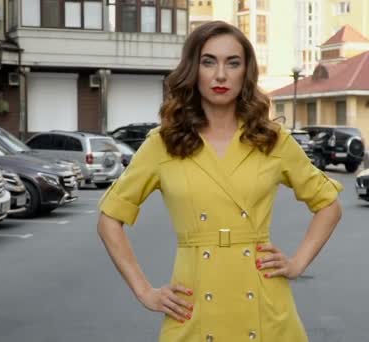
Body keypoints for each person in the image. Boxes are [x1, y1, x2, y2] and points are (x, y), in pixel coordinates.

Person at [97, 21, 343, 342]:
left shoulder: (271, 139)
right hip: (193, 304)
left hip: (264, 302)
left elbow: (328, 205)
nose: (221, 75)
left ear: (246, 72)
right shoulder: (164, 142)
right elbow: (109, 220)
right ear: (193, 70)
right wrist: (144, 291)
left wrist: (296, 263)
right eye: (208, 61)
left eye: (233, 63)